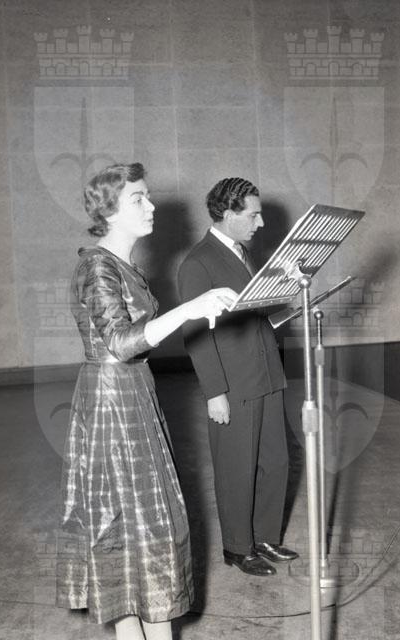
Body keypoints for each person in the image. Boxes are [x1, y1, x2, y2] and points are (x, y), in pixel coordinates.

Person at [55, 163, 236, 640]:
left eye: (148, 195)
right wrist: (190, 309)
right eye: (138, 198)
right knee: (136, 527)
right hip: (112, 401)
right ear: (109, 211)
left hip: (132, 391)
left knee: (142, 529)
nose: (151, 205)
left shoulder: (121, 265)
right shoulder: (97, 266)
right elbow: (119, 343)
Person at [177, 177, 298, 577]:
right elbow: (195, 333)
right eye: (253, 215)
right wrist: (215, 392)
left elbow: (253, 315)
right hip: (233, 383)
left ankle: (265, 537)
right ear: (229, 214)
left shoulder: (244, 254)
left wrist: (288, 292)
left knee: (276, 461)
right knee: (236, 468)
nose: (260, 223)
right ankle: (237, 547)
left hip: (266, 374)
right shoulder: (198, 263)